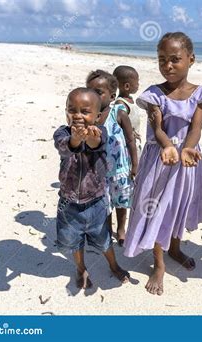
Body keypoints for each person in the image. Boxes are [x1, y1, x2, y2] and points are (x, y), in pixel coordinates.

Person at [124, 32, 202, 295]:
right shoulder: (154, 94)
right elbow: (158, 126)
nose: (168, 66)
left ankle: (175, 248)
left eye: (175, 59)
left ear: (191, 59)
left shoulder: (201, 95)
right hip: (159, 160)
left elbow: (196, 128)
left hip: (188, 160)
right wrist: (168, 146)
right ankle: (159, 263)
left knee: (177, 207)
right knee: (156, 210)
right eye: (162, 60)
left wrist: (186, 148)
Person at [53, 87, 130, 289]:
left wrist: (88, 137)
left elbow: (97, 143)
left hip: (95, 202)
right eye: (72, 109)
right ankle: (81, 269)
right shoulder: (62, 133)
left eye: (85, 111)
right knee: (73, 240)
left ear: (97, 116)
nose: (77, 115)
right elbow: (65, 146)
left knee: (104, 239)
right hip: (68, 202)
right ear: (66, 112)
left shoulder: (101, 132)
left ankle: (113, 264)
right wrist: (76, 138)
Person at [86, 70, 138, 247]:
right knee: (104, 204)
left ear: (112, 95)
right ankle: (106, 230)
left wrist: (135, 165)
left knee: (121, 202)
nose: (94, 96)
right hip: (99, 172)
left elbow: (130, 139)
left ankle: (121, 228)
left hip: (120, 169)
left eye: (99, 92)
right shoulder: (88, 116)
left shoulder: (119, 113)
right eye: (90, 91)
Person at [113, 65, 142, 151]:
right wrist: (130, 133)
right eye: (137, 82)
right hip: (126, 144)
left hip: (134, 141)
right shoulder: (120, 103)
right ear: (127, 86)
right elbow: (117, 124)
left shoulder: (130, 100)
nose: (138, 85)